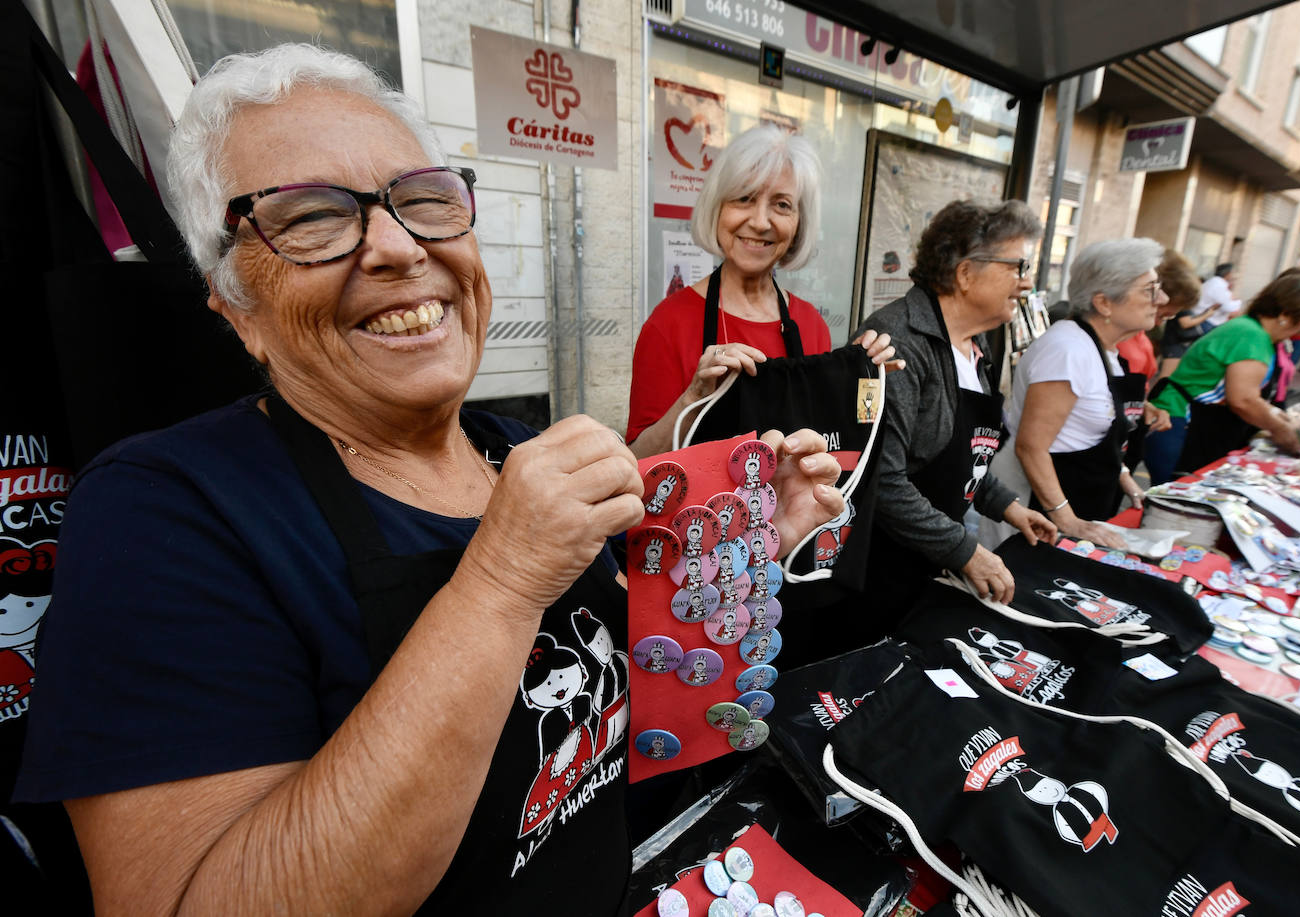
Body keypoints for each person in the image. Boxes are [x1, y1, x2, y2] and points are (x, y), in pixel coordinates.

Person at [13, 45, 846, 914]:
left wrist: (742, 543)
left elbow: (636, 707)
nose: (397, 247)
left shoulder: (507, 447)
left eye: (423, 200)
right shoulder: (161, 517)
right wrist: (500, 579)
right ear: (235, 307)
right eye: (308, 218)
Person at [626, 124, 898, 455]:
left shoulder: (810, 325)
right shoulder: (669, 324)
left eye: (782, 205)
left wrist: (858, 372)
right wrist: (694, 397)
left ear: (799, 224)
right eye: (744, 198)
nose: (759, 221)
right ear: (717, 208)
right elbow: (639, 461)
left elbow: (830, 442)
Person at [856, 199, 1055, 608]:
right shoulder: (894, 340)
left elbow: (964, 455)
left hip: (929, 559)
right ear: (966, 273)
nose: (1026, 284)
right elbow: (881, 478)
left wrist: (1007, 507)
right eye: (1017, 267)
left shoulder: (974, 342)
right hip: (879, 566)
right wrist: (965, 551)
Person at [1000, 239, 1169, 547]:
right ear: (1104, 303)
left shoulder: (1102, 349)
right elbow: (1031, 447)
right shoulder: (1067, 350)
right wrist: (1066, 520)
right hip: (1040, 519)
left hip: (1082, 506)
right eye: (1150, 289)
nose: (1162, 298)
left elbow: (1090, 428)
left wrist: (1126, 479)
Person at [1143, 269, 1300, 483]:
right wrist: (1282, 430)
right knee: (1174, 499)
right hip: (1180, 423)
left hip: (1188, 423)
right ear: (1286, 314)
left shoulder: (1253, 332)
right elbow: (1243, 399)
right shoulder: (1250, 335)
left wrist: (1285, 419)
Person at [1120, 248, 1201, 382]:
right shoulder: (1120, 340)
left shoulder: (1137, 337)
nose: (1158, 323)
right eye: (1162, 315)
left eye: (1167, 317)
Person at [1196, 262, 1241, 332]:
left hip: (1206, 321)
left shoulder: (1214, 283)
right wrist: (1238, 301)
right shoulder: (1219, 285)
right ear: (1229, 274)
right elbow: (1227, 307)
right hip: (1207, 322)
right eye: (1234, 272)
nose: (1235, 276)